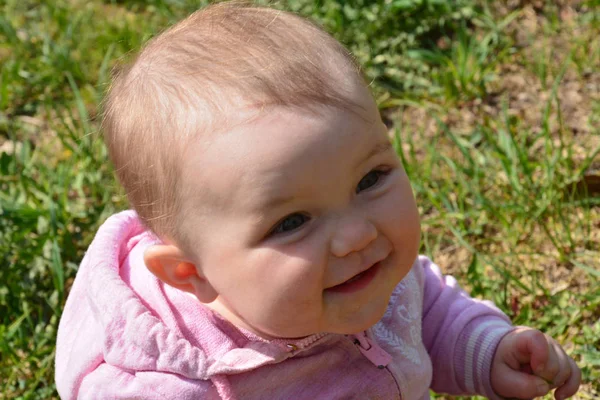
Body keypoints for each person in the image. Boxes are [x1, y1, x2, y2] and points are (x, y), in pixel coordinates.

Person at [55, 2, 581, 399]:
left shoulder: (371, 276)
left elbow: (426, 311)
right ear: (192, 272)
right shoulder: (169, 386)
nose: (358, 234)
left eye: (370, 179)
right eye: (292, 222)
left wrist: (486, 351)